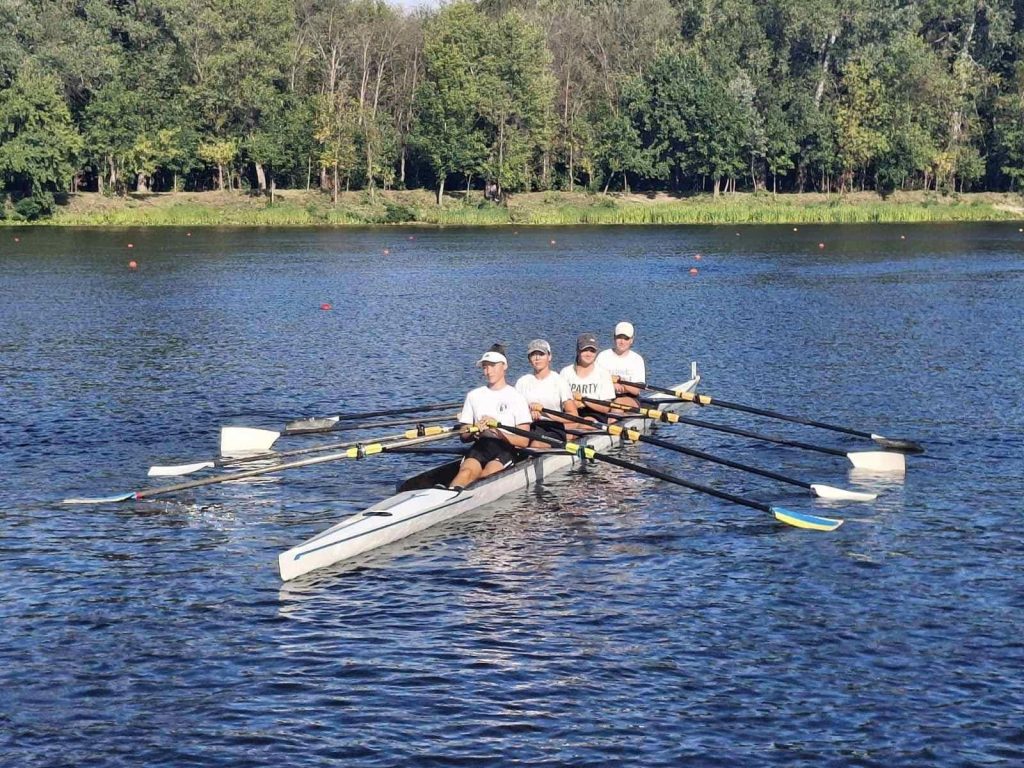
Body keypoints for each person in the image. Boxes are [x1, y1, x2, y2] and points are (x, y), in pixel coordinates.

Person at [447, 345, 534, 490]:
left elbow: (524, 440)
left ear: (504, 366)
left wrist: (497, 432)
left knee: (488, 474)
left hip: (507, 447)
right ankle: (448, 498)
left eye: (493, 366)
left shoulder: (517, 397)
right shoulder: (474, 395)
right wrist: (473, 429)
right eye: (485, 367)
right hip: (482, 445)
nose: (488, 371)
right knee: (465, 472)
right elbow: (463, 436)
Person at [514, 339, 579, 447]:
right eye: (533, 355)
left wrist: (544, 413)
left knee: (536, 445)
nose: (537, 358)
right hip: (530, 426)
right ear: (529, 359)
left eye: (541, 354)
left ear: (549, 357)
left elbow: (573, 415)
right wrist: (529, 413)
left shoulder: (559, 381)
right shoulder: (522, 382)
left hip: (553, 428)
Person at [559, 332, 617, 422]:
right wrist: (572, 404)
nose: (588, 354)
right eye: (585, 350)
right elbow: (558, 402)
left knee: (585, 422)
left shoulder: (603, 374)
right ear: (578, 351)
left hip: (594, 414)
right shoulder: (565, 372)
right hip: (570, 412)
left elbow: (606, 408)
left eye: (592, 351)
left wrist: (584, 400)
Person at [596, 321, 646, 408]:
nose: (622, 342)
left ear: (631, 340)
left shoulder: (637, 359)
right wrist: (612, 385)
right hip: (606, 396)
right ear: (614, 338)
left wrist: (621, 384)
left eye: (626, 338)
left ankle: (613, 420)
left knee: (618, 403)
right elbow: (595, 382)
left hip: (630, 397)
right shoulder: (602, 356)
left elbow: (636, 390)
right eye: (619, 337)